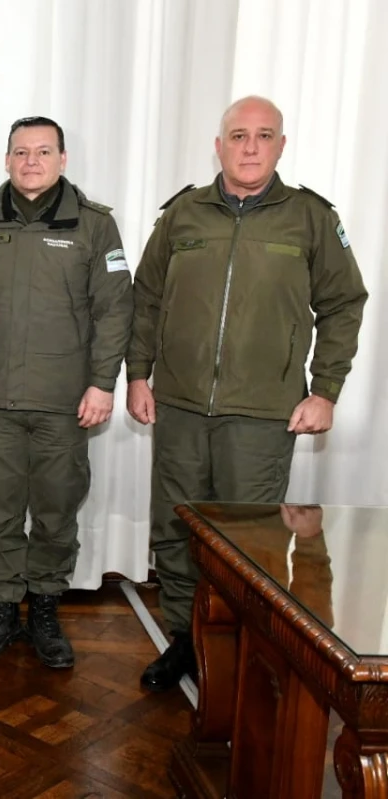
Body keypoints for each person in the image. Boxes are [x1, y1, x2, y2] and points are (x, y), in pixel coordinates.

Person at [127, 96, 367, 691]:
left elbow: (344, 304)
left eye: (264, 136)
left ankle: (234, 651)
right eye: (238, 135)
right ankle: (183, 640)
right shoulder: (183, 214)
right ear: (220, 145)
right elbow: (146, 298)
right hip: (180, 406)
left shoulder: (310, 218)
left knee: (248, 543)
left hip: (263, 416)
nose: (251, 146)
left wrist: (326, 390)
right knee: (177, 530)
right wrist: (138, 374)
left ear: (281, 146)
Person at [0, 116, 133, 669]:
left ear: (63, 160)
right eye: (21, 152)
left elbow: (115, 310)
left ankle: (45, 607)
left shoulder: (95, 227)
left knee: (56, 509)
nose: (31, 161)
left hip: (65, 401)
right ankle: (2, 607)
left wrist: (102, 383)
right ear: (6, 161)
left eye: (43, 152)